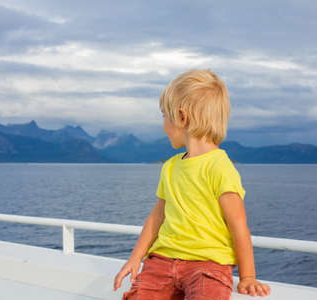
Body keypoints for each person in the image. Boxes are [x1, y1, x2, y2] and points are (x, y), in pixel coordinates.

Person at [114, 69, 271, 299]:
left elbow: (238, 225)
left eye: (163, 116)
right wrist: (135, 258)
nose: (163, 125)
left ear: (181, 117)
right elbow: (157, 217)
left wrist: (247, 276)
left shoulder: (220, 167)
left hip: (208, 266)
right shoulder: (169, 167)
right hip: (162, 262)